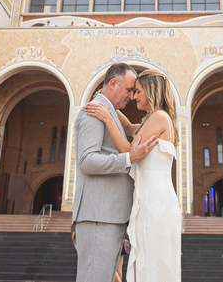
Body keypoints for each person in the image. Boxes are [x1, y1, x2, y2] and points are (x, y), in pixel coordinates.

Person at [85, 69, 181, 282]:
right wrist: (107, 104)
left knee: (153, 263)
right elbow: (128, 127)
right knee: (150, 259)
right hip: (152, 197)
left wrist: (107, 118)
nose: (133, 96)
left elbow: (129, 151)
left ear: (151, 91)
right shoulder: (156, 119)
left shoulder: (159, 117)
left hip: (156, 201)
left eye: (138, 91)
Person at [73, 64, 157, 282]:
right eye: (129, 89)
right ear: (113, 83)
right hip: (99, 216)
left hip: (110, 216)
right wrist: (129, 158)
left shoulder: (109, 112)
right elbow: (86, 161)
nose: (131, 95)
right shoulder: (94, 112)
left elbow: (131, 129)